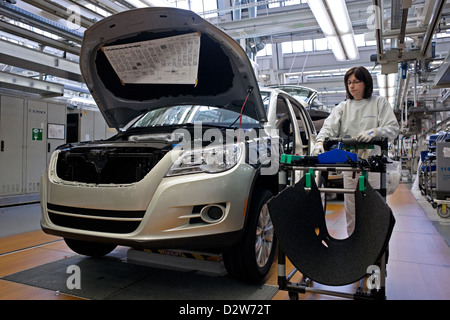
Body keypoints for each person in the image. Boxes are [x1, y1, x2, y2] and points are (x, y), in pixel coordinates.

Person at [312, 66, 399, 236]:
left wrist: (376, 132)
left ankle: (375, 246)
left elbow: (393, 128)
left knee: (373, 207)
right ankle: (354, 244)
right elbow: (328, 126)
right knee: (351, 208)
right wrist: (320, 141)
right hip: (350, 167)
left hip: (373, 166)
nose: (352, 86)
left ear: (366, 83)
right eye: (349, 82)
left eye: (356, 82)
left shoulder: (379, 103)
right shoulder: (343, 107)